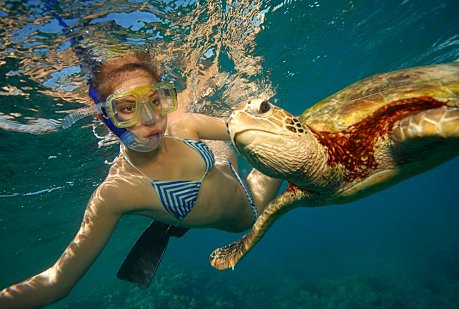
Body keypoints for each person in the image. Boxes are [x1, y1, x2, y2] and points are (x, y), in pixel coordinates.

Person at [0, 51, 281, 308]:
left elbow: (259, 133)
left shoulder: (183, 124)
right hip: (248, 211)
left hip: (221, 164)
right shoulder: (118, 191)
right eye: (126, 108)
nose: (151, 119)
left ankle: (170, 220)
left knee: (260, 139)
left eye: (155, 100)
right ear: (106, 120)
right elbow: (56, 283)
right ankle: (169, 220)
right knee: (280, 165)